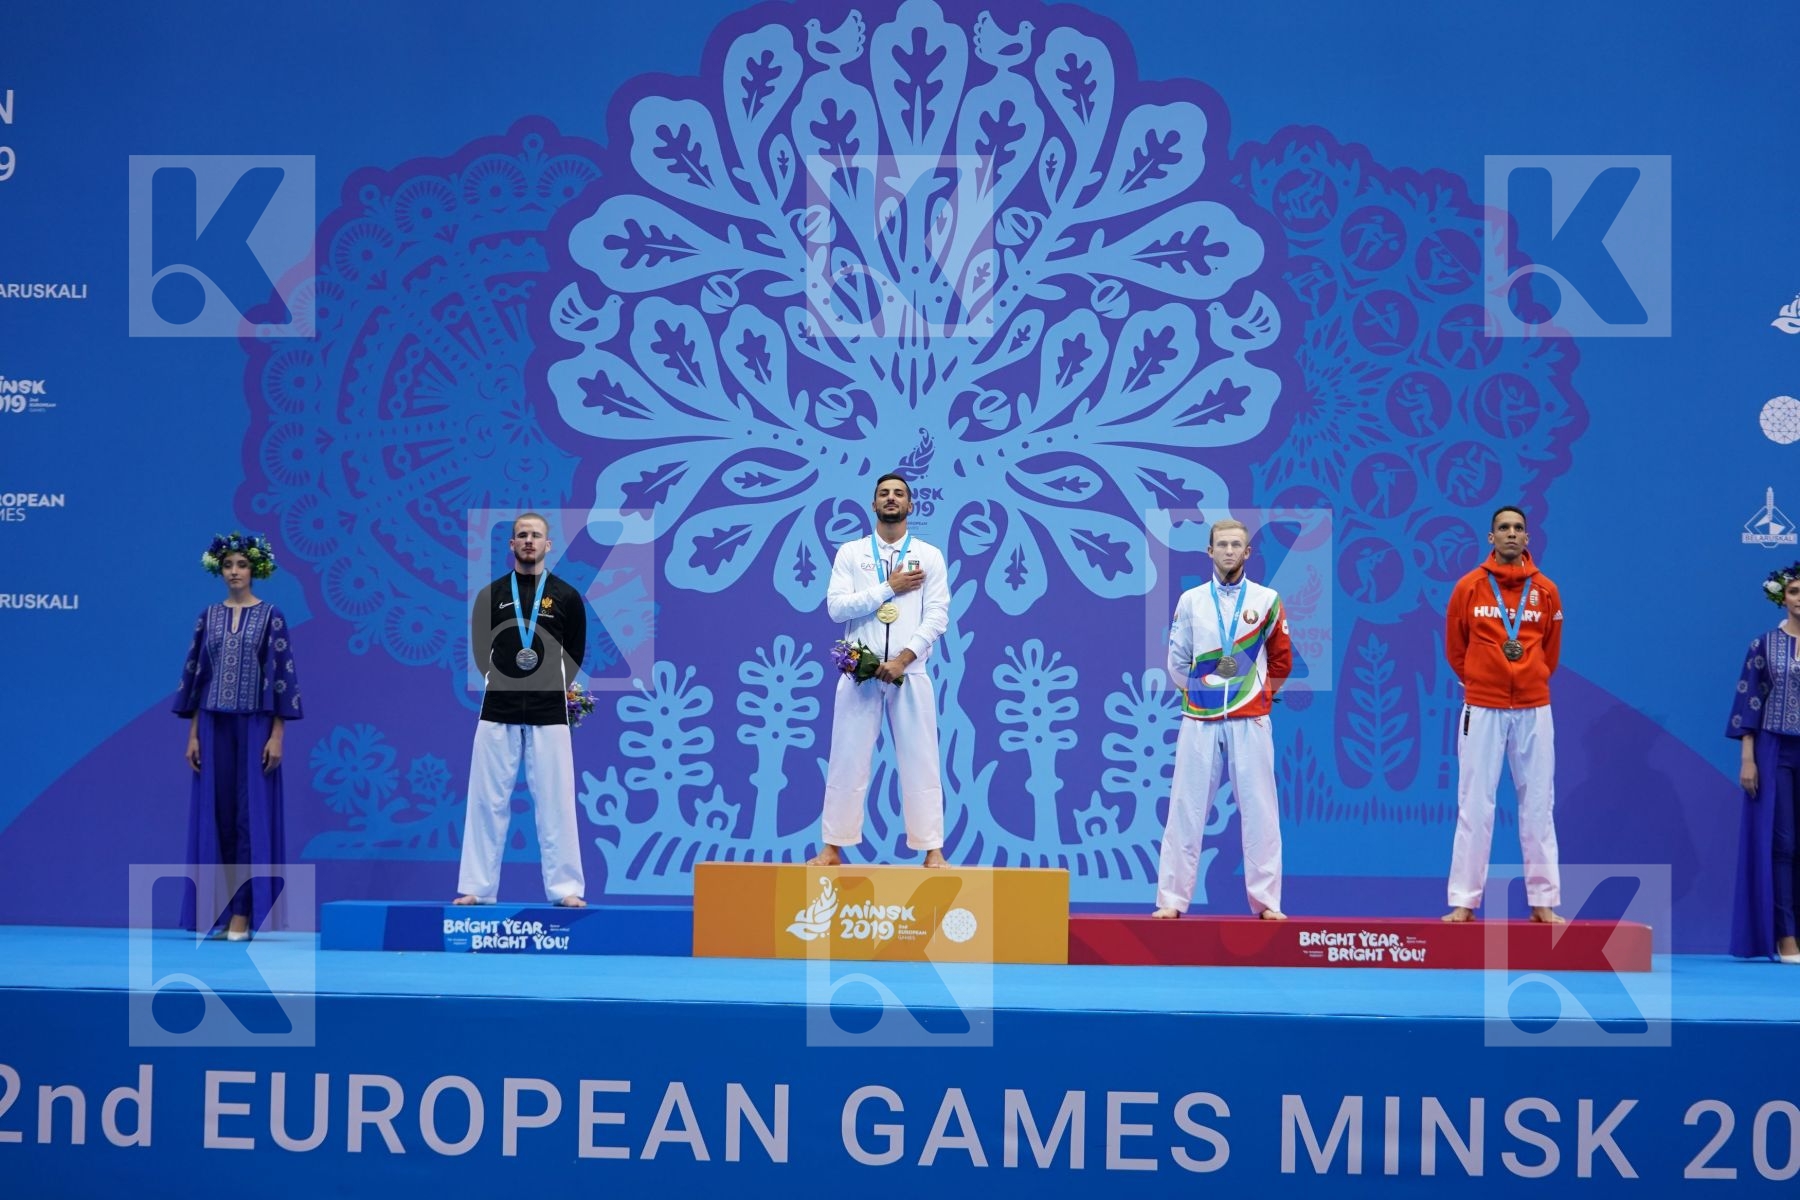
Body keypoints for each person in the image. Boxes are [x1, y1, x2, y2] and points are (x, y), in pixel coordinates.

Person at [810, 474, 951, 867]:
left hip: (910, 671)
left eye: (899, 494)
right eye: (884, 494)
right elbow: (837, 608)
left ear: (911, 506)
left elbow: (937, 616)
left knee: (921, 760)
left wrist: (905, 658)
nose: (891, 499)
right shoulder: (851, 554)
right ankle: (833, 848)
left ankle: (932, 849)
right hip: (860, 670)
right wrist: (888, 588)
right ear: (873, 505)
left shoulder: (930, 556)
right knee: (846, 759)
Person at [1154, 518, 1292, 919]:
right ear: (1209, 552)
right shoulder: (1191, 600)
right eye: (1222, 545)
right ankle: (1171, 902)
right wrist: (1203, 691)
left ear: (1248, 553)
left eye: (1237, 545)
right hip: (1199, 719)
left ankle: (1267, 903)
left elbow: (1282, 660)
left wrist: (1258, 694)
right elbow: (1177, 661)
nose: (1229, 551)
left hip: (1251, 719)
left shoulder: (1267, 600)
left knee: (1261, 810)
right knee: (1185, 808)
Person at [455, 513, 590, 906]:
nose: (529, 541)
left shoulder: (566, 596)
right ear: (512, 545)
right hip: (498, 707)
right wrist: (508, 682)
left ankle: (566, 890)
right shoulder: (491, 595)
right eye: (521, 535)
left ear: (548, 545)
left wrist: (547, 684)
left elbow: (575, 653)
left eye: (536, 535)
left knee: (557, 803)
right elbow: (482, 653)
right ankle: (477, 889)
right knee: (485, 801)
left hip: (550, 710)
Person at [173, 532, 303, 940]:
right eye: (228, 565)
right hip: (213, 725)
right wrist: (194, 735)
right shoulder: (207, 617)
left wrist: (277, 734)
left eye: (242, 565)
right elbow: (197, 678)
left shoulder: (271, 616)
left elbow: (283, 678)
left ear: (256, 570)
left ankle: (244, 913)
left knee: (250, 819)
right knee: (218, 817)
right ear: (219, 569)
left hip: (254, 725)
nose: (234, 572)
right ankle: (221, 910)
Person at [1443, 505, 1564, 923]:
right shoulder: (1469, 587)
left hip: (1533, 706)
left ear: (1527, 539)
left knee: (1538, 805)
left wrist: (1530, 678)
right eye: (1503, 528)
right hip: (1483, 705)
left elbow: (1550, 651)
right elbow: (1456, 649)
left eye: (1518, 529)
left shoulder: (1546, 590)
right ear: (1490, 538)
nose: (1511, 534)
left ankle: (1542, 902)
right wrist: (1481, 679)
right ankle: (1464, 901)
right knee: (1474, 804)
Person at [1725, 563, 1800, 963]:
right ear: (1782, 598)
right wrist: (1747, 759)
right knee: (1784, 843)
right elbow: (1749, 701)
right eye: (1794, 591)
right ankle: (1786, 936)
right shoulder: (1764, 645)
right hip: (1775, 749)